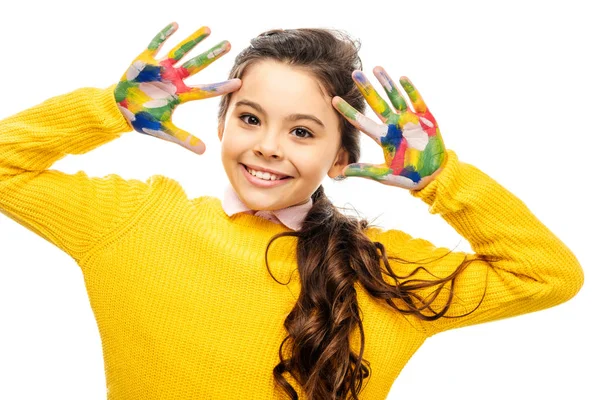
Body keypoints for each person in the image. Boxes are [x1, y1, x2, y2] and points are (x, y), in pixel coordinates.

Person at [0, 21, 584, 400]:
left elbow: (548, 276)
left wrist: (440, 179)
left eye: (302, 131)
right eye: (250, 119)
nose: (269, 146)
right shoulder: (135, 219)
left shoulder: (380, 272)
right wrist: (109, 110)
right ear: (223, 122)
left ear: (340, 159)